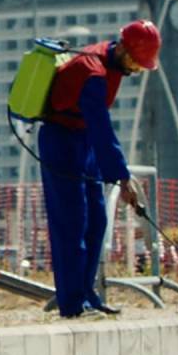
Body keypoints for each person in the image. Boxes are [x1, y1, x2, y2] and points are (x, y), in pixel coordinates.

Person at [39, 19, 155, 318]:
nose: (136, 70)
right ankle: (73, 305)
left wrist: (117, 174)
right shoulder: (93, 72)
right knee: (72, 224)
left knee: (97, 221)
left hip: (83, 140)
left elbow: (96, 132)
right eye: (137, 64)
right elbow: (102, 129)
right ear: (125, 51)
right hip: (61, 141)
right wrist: (122, 177)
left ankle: (88, 296)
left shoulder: (111, 64)